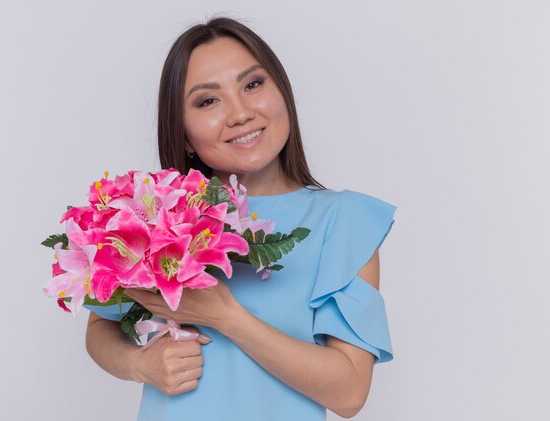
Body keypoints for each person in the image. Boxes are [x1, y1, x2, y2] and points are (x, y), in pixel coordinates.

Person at [85, 17, 397, 421]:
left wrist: (225, 317)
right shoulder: (159, 213)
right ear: (181, 133)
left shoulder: (345, 221)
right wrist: (138, 364)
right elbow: (100, 327)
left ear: (281, 91)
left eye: (252, 84)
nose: (240, 113)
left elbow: (350, 393)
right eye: (208, 101)